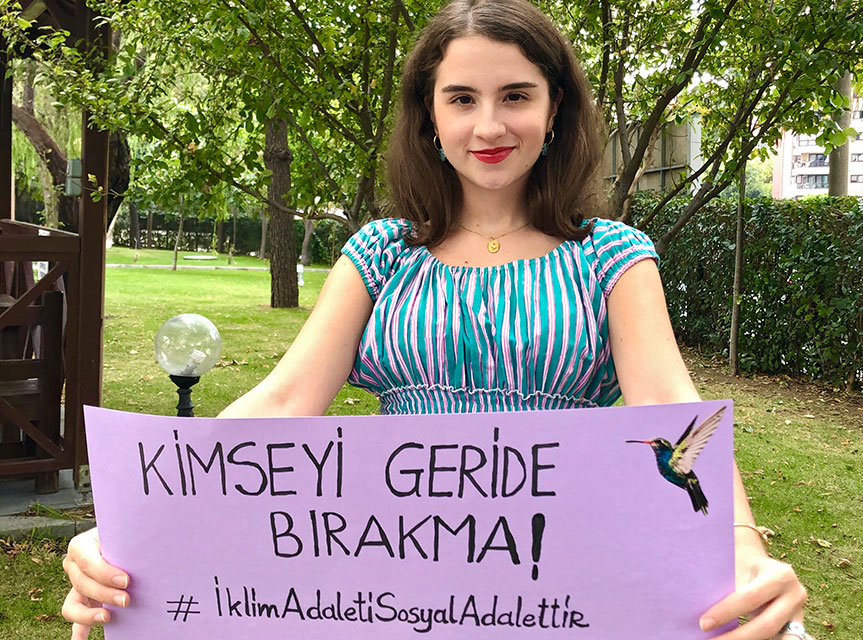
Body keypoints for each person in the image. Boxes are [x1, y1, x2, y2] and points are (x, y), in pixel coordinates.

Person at [60, 0, 808, 638]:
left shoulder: (612, 257)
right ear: (430, 116)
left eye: (516, 95)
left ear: (555, 112)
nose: (489, 124)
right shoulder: (381, 252)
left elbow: (672, 411)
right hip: (396, 589)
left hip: (571, 584)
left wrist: (741, 546)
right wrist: (139, 524)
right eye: (462, 99)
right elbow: (285, 403)